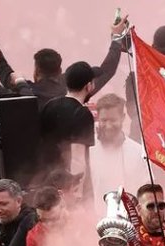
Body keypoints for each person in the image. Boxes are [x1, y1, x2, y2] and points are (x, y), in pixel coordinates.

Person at [37, 17, 129, 193]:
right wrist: (76, 194)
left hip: (47, 185)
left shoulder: (49, 106)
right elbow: (78, 159)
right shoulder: (81, 114)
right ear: (89, 86)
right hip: (70, 188)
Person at [90, 94, 148, 202]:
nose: (108, 125)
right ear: (97, 118)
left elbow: (146, 191)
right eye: (104, 120)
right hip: (95, 216)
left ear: (123, 117)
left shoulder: (137, 152)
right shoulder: (88, 148)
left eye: (112, 120)